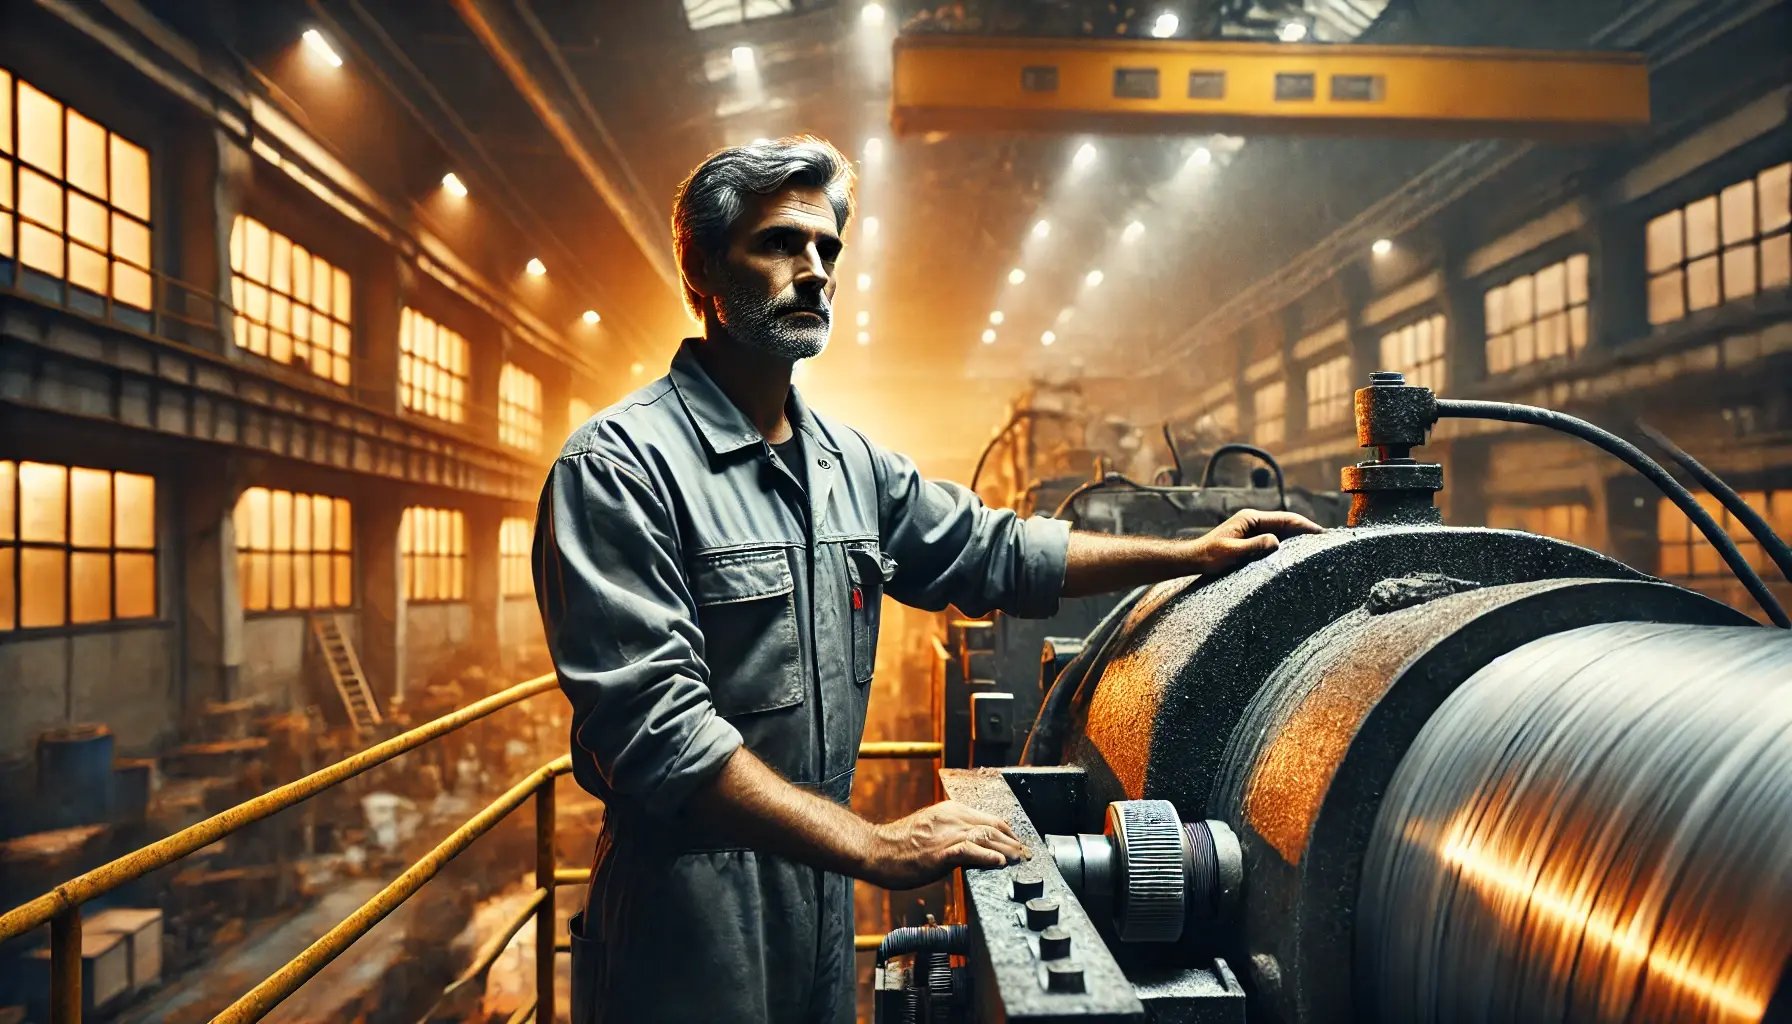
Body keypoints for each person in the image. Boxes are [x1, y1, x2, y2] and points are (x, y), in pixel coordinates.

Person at [532, 135, 1321, 1023]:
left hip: (822, 897)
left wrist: (1185, 553)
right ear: (702, 271)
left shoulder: (845, 466)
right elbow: (655, 736)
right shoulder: (620, 466)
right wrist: (872, 844)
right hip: (687, 917)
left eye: (827, 249)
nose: (815, 270)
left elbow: (994, 552)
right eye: (780, 244)